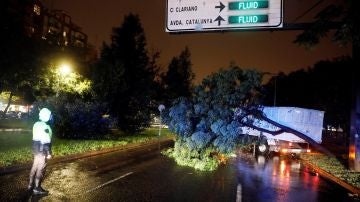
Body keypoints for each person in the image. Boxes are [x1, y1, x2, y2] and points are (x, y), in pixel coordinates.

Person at [28, 108, 53, 195]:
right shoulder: (46, 127)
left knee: (34, 167)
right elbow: (46, 142)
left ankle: (30, 185)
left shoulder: (36, 124)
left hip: (35, 151)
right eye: (49, 115)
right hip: (42, 152)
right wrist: (49, 153)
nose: (50, 117)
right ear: (46, 116)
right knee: (41, 170)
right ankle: (37, 188)